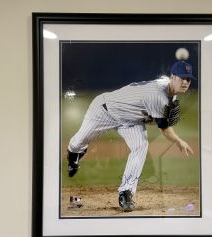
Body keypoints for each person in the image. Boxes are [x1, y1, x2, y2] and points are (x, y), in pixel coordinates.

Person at [66, 60, 195, 212]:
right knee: (78, 143)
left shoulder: (168, 89)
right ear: (172, 77)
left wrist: (158, 116)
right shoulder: (158, 96)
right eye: (182, 78)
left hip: (131, 121)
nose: (185, 82)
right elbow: (164, 129)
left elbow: (153, 115)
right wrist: (179, 141)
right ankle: (74, 155)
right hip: (104, 109)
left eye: (188, 79)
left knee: (140, 146)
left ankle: (126, 193)